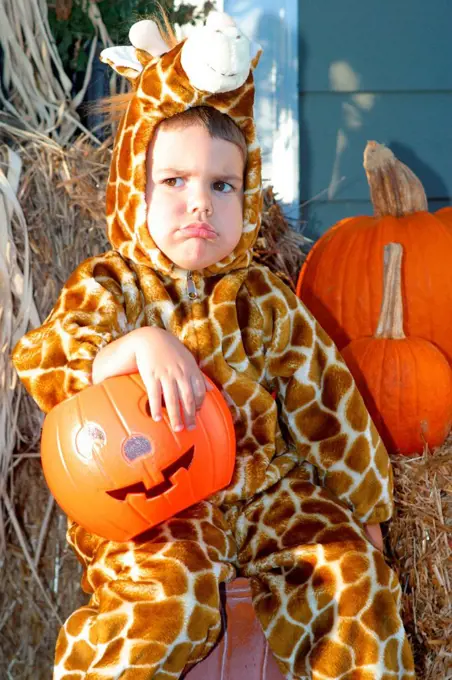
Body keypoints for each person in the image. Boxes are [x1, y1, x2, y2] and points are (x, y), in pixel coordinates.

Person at [12, 11, 415, 680]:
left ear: (249, 196)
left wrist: (363, 516)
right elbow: (49, 357)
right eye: (173, 182)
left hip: (265, 491)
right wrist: (134, 348)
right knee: (165, 598)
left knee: (350, 578)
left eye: (221, 186)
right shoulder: (110, 285)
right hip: (149, 505)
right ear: (132, 193)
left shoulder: (265, 298)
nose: (199, 204)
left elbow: (327, 406)